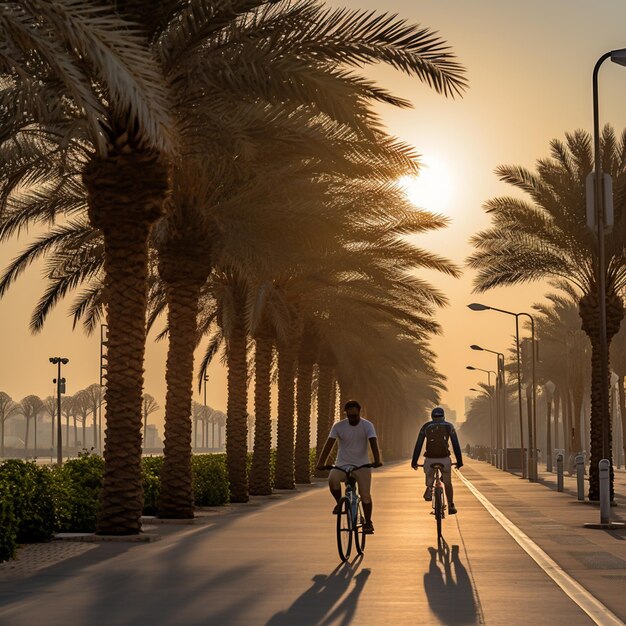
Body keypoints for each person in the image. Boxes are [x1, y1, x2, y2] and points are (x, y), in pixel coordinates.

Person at [316, 400, 382, 534]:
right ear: (345, 414)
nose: (353, 419)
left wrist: (377, 460)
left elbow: (373, 442)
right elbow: (329, 444)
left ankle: (368, 522)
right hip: (342, 464)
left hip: (362, 465)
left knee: (365, 496)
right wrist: (320, 463)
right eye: (350, 416)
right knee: (332, 479)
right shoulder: (338, 426)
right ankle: (341, 503)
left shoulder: (367, 425)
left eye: (355, 416)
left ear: (360, 413)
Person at [411, 406, 463, 515]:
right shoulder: (449, 426)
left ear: (432, 416)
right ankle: (451, 505)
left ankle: (430, 488)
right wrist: (459, 461)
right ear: (443, 416)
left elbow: (418, 445)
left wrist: (414, 461)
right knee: (448, 483)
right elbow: (456, 444)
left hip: (429, 459)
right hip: (444, 459)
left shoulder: (426, 426)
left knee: (429, 478)